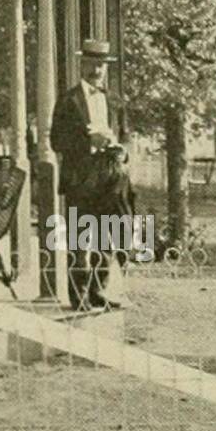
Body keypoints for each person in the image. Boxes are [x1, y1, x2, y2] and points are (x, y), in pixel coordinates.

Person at [50, 39, 131, 311]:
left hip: (108, 178)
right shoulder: (68, 100)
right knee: (80, 237)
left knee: (106, 236)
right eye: (92, 64)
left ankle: (99, 290)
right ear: (82, 65)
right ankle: (78, 294)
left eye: (101, 65)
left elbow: (126, 136)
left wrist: (122, 151)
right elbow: (56, 141)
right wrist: (88, 142)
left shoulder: (114, 101)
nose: (97, 70)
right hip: (80, 178)